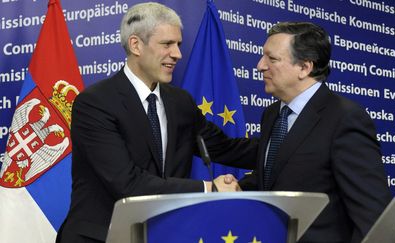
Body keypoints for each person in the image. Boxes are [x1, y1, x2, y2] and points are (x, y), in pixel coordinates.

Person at [56, 2, 256, 243]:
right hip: (102, 237)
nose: (177, 54)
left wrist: (286, 144)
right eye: (167, 44)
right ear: (136, 45)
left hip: (162, 234)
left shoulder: (180, 102)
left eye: (178, 44)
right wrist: (208, 189)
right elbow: (127, 183)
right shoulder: (95, 103)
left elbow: (225, 148)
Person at [239, 22, 392, 243]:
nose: (260, 66)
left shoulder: (344, 117)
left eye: (272, 59)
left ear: (304, 67)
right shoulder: (272, 114)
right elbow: (281, 177)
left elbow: (373, 215)